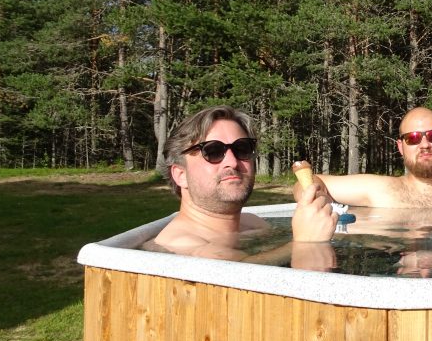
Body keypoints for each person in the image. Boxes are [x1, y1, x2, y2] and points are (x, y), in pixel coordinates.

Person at [144, 105, 337, 259]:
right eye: (213, 151)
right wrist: (305, 244)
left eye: (242, 148)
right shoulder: (182, 247)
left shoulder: (254, 224)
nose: (233, 162)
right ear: (180, 175)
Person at [299, 106, 432, 210]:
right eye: (413, 138)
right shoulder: (378, 188)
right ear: (401, 147)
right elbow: (308, 183)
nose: (425, 145)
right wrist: (316, 196)